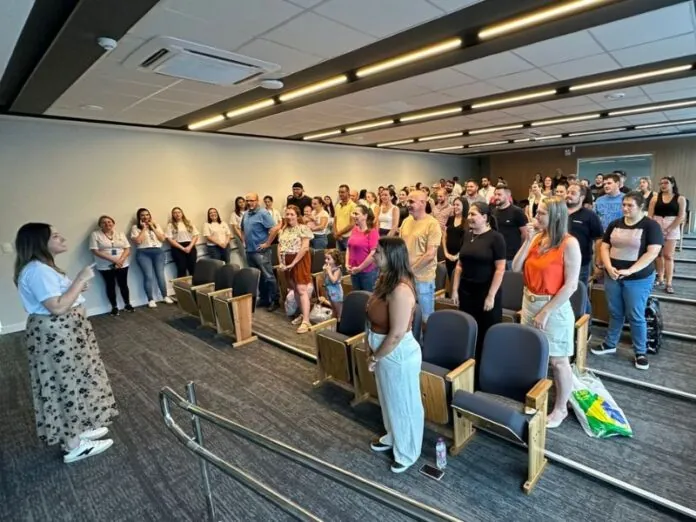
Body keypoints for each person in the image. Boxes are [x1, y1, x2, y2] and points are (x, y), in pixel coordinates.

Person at [15, 223, 118, 463]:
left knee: (74, 379)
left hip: (64, 332)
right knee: (63, 384)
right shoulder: (37, 270)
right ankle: (74, 444)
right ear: (40, 242)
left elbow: (63, 299)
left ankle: (77, 428)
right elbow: (58, 306)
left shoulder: (44, 268)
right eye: (54, 235)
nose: (61, 236)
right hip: (56, 334)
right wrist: (80, 278)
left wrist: (78, 287)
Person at [512, 196, 581, 428]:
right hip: (529, 300)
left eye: (541, 213)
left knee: (558, 361)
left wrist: (546, 311)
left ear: (556, 216)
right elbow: (515, 267)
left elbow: (571, 285)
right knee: (533, 354)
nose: (536, 216)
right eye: (537, 212)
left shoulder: (569, 243)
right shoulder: (537, 238)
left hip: (554, 305)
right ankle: (537, 396)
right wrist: (527, 239)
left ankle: (561, 408)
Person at [366, 237, 423, 474]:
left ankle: (408, 451)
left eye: (378, 251)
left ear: (392, 256)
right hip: (382, 348)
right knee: (389, 398)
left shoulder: (400, 288)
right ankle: (393, 435)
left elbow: (397, 333)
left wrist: (375, 356)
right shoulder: (384, 280)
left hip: (396, 353)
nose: (373, 253)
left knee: (404, 403)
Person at [593, 192, 664, 370]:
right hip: (614, 275)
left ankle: (640, 352)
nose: (625, 208)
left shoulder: (651, 226)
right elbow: (605, 245)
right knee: (615, 312)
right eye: (623, 204)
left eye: (629, 205)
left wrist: (630, 270)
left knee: (635, 314)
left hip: (638, 278)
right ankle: (610, 344)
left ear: (641, 207)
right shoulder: (615, 224)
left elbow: (652, 252)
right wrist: (608, 267)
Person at [451, 202, 506, 387]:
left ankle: (487, 375)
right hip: (466, 292)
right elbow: (459, 265)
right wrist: (454, 289)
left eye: (474, 214)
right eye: (470, 214)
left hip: (486, 294)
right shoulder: (467, 235)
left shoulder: (496, 238)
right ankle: (469, 373)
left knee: (486, 335)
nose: (470, 218)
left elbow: (500, 269)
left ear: (485, 217)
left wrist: (491, 296)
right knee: (469, 332)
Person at [400, 190, 442, 324]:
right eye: (408, 201)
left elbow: (430, 255)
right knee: (407, 318)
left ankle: (425, 344)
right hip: (405, 278)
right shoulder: (406, 221)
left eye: (411, 201)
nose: (408, 204)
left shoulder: (432, 224)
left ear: (423, 203)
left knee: (425, 319)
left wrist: (410, 271)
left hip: (423, 280)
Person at [566, 184, 603, 315]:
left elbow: (598, 240)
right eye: (568, 191)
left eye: (573, 193)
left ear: (581, 197)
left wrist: (598, 263)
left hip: (581, 264)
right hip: (558, 262)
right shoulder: (560, 212)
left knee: (579, 295)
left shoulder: (590, 216)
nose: (568, 194)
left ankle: (585, 328)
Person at [241, 193, 280, 312]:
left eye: (252, 200)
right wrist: (244, 242)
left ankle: (275, 300)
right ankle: (264, 299)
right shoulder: (246, 214)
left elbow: (274, 229)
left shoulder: (263, 213)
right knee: (258, 277)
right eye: (247, 201)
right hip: (250, 251)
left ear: (257, 201)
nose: (249, 203)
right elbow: (242, 229)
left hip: (261, 252)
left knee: (268, 276)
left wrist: (268, 243)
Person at [278, 205, 314, 333]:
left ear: (297, 216)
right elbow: (280, 246)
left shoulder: (303, 228)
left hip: (299, 260)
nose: (289, 217)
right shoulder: (283, 229)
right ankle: (303, 314)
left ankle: (306, 321)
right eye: (287, 214)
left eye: (292, 214)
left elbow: (304, 248)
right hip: (287, 262)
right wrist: (281, 262)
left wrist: (293, 263)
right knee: (294, 288)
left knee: (301, 289)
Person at [649, 176, 686, 294]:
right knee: (658, 255)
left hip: (672, 225)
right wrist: (655, 228)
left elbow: (681, 216)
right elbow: (650, 215)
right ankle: (660, 278)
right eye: (661, 183)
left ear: (672, 184)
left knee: (668, 255)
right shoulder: (655, 198)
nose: (663, 185)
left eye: (666, 183)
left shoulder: (680, 198)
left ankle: (669, 282)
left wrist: (669, 229)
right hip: (657, 224)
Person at [89, 215, 133, 316]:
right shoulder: (95, 234)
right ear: (100, 225)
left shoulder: (120, 234)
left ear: (113, 223)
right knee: (110, 285)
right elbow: (95, 251)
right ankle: (114, 307)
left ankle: (127, 304)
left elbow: (127, 249)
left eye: (109, 222)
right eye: (104, 222)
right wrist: (113, 260)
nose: (107, 224)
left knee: (123, 284)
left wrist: (120, 260)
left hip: (122, 264)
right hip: (105, 265)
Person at [130, 208, 172, 308]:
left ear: (150, 216)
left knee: (160, 275)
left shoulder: (156, 225)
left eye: (147, 215)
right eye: (142, 215)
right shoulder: (135, 228)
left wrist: (152, 227)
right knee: (148, 276)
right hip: (143, 253)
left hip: (158, 252)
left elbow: (162, 239)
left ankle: (165, 296)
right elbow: (138, 241)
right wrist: (144, 228)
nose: (145, 217)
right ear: (139, 217)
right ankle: (150, 299)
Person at [493, 185, 528, 270]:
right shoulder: (493, 212)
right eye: (495, 194)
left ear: (508, 196)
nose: (496, 197)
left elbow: (525, 234)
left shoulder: (517, 212)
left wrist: (520, 252)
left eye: (499, 194)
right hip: (496, 256)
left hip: (511, 257)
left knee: (510, 282)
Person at [346, 204, 380, 291]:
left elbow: (373, 253)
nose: (354, 216)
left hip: (367, 272)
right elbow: (349, 248)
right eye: (354, 213)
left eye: (356, 214)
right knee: (357, 298)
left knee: (368, 299)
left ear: (365, 216)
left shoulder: (372, 232)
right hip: (353, 271)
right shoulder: (354, 229)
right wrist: (347, 264)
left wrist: (360, 268)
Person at [166, 206, 199, 278]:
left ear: (182, 214)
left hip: (190, 246)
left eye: (179, 212)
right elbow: (169, 239)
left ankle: (194, 288)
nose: (177, 214)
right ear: (173, 215)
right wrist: (182, 248)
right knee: (182, 269)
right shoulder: (170, 225)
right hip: (177, 248)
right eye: (175, 213)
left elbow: (195, 235)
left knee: (193, 268)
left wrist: (190, 246)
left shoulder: (189, 223)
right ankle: (183, 288)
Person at [442, 197, 468, 280]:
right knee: (450, 278)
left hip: (461, 257)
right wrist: (446, 253)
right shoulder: (450, 219)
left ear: (464, 206)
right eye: (454, 205)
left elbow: (467, 241)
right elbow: (444, 237)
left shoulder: (467, 221)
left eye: (458, 205)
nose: (455, 207)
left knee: (459, 279)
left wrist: (457, 256)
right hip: (448, 255)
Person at [333, 184, 357, 252]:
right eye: (339, 192)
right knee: (338, 258)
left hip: (348, 237)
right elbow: (335, 221)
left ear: (348, 192)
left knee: (349, 258)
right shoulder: (337, 205)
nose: (340, 194)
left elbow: (352, 224)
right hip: (338, 237)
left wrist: (338, 233)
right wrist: (335, 233)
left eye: (342, 192)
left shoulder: (353, 206)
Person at [322, 249, 344, 319]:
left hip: (336, 292)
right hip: (329, 291)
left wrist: (328, 271)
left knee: (339, 310)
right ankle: (334, 322)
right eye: (325, 258)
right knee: (333, 308)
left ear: (335, 260)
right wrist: (325, 271)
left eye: (328, 259)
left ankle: (340, 323)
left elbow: (334, 280)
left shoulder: (337, 270)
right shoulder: (329, 268)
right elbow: (325, 279)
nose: (326, 261)